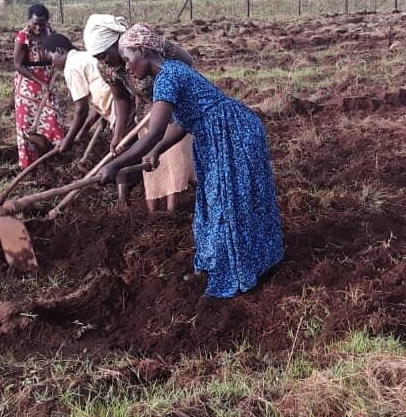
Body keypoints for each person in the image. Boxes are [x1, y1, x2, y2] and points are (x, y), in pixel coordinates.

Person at [93, 24, 283, 298]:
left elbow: (156, 129)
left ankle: (238, 269)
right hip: (218, 136)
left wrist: (116, 164)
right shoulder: (169, 75)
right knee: (212, 200)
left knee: (228, 202)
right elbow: (181, 123)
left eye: (128, 60)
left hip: (232, 133)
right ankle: (213, 263)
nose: (128, 68)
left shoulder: (169, 76)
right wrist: (158, 151)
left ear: (144, 52)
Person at [83, 14, 196, 212]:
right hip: (147, 115)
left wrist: (169, 88)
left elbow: (187, 62)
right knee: (153, 170)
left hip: (177, 113)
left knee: (174, 166)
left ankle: (173, 214)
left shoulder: (146, 44)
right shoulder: (106, 67)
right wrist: (117, 136)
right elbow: (121, 99)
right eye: (98, 57)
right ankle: (153, 218)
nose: (103, 61)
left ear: (116, 44)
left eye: (104, 54)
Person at [44, 33, 115, 155]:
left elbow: (81, 109)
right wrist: (84, 129)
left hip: (119, 111)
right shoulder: (83, 56)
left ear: (59, 51)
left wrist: (68, 139)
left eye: (51, 59)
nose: (52, 65)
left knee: (123, 160)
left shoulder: (71, 67)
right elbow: (98, 97)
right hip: (119, 107)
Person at [12, 3, 63, 168]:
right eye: (35, 23)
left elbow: (59, 52)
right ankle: (30, 163)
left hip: (49, 79)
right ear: (29, 21)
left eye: (41, 23)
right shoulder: (22, 36)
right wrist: (40, 82)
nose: (38, 27)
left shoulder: (50, 32)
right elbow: (18, 65)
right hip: (28, 84)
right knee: (27, 124)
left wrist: (54, 72)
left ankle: (53, 157)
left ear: (47, 21)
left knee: (52, 118)